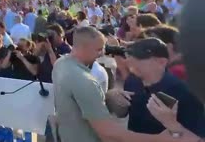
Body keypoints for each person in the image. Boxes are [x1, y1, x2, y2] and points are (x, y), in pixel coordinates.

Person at [52, 26, 183, 142]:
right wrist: (160, 139)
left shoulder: (61, 64)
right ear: (82, 47)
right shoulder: (85, 81)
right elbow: (109, 135)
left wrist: (107, 96)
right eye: (98, 50)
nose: (101, 54)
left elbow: (77, 103)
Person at [109, 38, 205, 136]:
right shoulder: (132, 81)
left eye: (140, 58)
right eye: (129, 56)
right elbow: (123, 114)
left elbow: (197, 137)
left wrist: (171, 123)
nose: (129, 61)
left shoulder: (184, 92)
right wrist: (114, 99)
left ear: (162, 62)